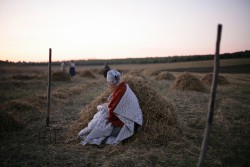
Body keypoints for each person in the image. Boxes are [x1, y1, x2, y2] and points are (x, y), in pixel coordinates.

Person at [78, 69, 143, 145]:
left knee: (98, 126)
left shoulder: (120, 93)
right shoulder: (124, 86)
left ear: (113, 82)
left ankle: (90, 134)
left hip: (125, 125)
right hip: (131, 121)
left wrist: (107, 114)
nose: (108, 86)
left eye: (109, 83)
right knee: (100, 116)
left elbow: (112, 114)